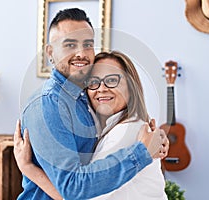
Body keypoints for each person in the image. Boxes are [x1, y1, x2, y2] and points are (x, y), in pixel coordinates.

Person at [16, 8, 168, 200]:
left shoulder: (82, 98)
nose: (81, 53)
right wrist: (142, 152)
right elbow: (73, 189)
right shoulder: (49, 104)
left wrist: (158, 140)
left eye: (87, 44)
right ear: (50, 52)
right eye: (70, 44)